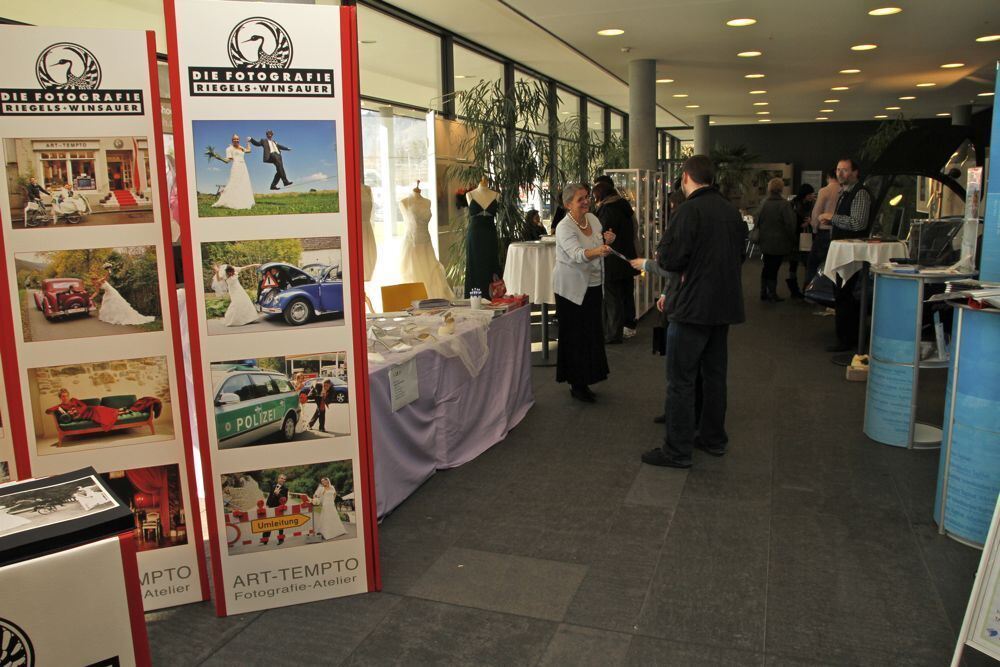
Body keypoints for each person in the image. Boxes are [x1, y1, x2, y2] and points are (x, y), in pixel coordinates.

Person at [642, 155, 747, 469]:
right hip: (723, 305)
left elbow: (671, 259)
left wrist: (667, 255)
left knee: (681, 379)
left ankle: (677, 449)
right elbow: (740, 256)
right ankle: (714, 438)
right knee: (714, 376)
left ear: (686, 176)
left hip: (691, 308)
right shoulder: (730, 211)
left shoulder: (688, 211)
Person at [552, 183, 614, 403]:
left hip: (594, 285)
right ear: (569, 204)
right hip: (571, 290)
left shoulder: (594, 220)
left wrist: (607, 241)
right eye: (580, 199)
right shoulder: (564, 227)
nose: (586, 201)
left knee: (591, 335)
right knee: (575, 337)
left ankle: (587, 378)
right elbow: (577, 255)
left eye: (587, 197)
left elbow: (598, 243)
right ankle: (576, 383)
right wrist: (599, 250)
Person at [816, 158, 873, 352]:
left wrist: (833, 217)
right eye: (838, 170)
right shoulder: (844, 193)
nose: (841, 173)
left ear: (855, 172)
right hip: (842, 251)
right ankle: (845, 337)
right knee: (841, 294)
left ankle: (849, 340)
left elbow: (858, 223)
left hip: (851, 254)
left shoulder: (860, 193)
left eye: (845, 170)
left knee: (845, 294)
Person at [593, 180, 639, 343]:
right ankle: (629, 325)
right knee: (627, 294)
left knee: (613, 297)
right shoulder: (624, 206)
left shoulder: (607, 210)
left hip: (612, 258)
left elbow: (602, 235)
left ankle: (613, 333)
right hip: (627, 257)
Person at [755, 177, 797, 303]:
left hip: (765, 240)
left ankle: (763, 291)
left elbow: (757, 220)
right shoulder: (784, 204)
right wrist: (792, 239)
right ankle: (772, 293)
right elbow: (790, 224)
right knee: (774, 267)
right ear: (781, 189)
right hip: (779, 242)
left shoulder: (764, 203)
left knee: (767, 266)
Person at [807, 168, 839, 283]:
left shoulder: (825, 190)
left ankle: (810, 290)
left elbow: (816, 213)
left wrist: (814, 229)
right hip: (839, 232)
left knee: (813, 263)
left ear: (828, 177)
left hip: (824, 232)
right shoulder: (844, 190)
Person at [788, 183, 816, 298]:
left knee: (806, 263)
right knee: (794, 264)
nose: (812, 196)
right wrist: (803, 224)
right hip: (797, 237)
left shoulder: (809, 204)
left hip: (806, 236)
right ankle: (795, 291)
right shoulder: (794, 204)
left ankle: (806, 290)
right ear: (805, 194)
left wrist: (809, 222)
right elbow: (791, 221)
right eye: (810, 194)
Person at [212, 134, 254, 210]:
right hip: (236, 166)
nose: (236, 140)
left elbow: (249, 151)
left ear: (239, 140)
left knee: (243, 183)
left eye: (237, 139)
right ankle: (230, 200)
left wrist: (248, 142)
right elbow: (227, 161)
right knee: (234, 182)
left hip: (243, 167)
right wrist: (219, 157)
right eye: (234, 139)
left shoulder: (241, 148)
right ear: (232, 140)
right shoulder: (229, 149)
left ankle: (242, 201)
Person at [260, 473, 289, 546]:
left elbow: (285, 499)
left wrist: (278, 494)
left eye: (284, 479)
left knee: (280, 524)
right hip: (270, 507)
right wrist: (267, 504)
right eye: (281, 478)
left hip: (279, 508)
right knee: (268, 523)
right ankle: (265, 539)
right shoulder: (273, 486)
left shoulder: (285, 489)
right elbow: (270, 496)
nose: (283, 480)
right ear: (278, 479)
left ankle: (281, 539)